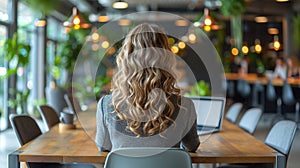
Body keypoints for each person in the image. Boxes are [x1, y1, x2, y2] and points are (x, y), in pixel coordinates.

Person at [95, 23, 200, 152]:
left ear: (126, 58)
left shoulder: (107, 105)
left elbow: (103, 147)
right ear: (166, 59)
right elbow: (192, 146)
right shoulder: (185, 106)